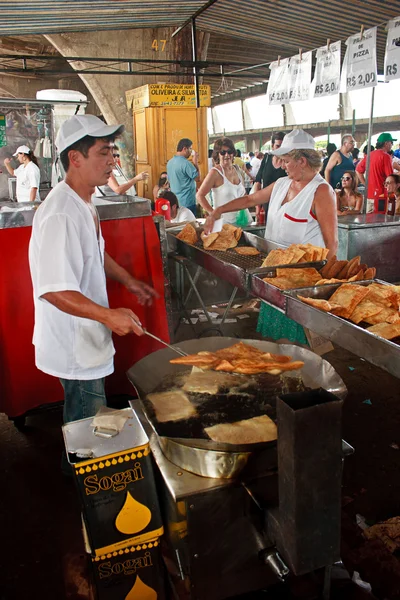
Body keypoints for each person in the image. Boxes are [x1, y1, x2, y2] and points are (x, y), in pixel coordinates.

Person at [28, 114, 158, 426]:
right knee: (88, 430)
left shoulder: (85, 201)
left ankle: (76, 466)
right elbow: (53, 289)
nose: (113, 161)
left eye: (113, 152)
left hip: (86, 336)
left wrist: (128, 280)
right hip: (75, 344)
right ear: (75, 157)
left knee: (82, 423)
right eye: (103, 152)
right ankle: (80, 472)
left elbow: (95, 254)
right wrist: (109, 316)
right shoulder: (61, 213)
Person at [204, 129, 337, 345]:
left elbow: (332, 243)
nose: (282, 165)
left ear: (301, 161)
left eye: (286, 161)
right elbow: (250, 200)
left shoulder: (320, 192)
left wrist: (322, 289)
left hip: (300, 283)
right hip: (274, 276)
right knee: (276, 340)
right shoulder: (282, 184)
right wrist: (218, 211)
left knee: (299, 343)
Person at [196, 137, 252, 226]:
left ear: (233, 153)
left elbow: (243, 196)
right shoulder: (215, 173)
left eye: (229, 152)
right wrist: (213, 213)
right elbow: (199, 195)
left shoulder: (238, 170)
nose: (227, 155)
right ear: (217, 154)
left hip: (244, 221)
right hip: (224, 225)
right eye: (222, 152)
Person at [253, 132, 286, 216]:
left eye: (283, 146)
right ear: (272, 146)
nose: (280, 149)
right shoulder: (267, 158)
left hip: (283, 206)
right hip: (267, 204)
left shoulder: (288, 163)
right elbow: (258, 182)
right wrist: (258, 207)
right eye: (277, 146)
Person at [356, 133, 396, 199]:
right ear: (386, 143)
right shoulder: (386, 156)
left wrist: (366, 184)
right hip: (381, 195)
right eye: (391, 142)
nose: (392, 145)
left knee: (369, 210)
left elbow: (358, 170)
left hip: (369, 195)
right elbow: (390, 177)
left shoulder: (369, 155)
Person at [167, 138, 199, 217]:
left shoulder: (169, 162)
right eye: (190, 149)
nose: (191, 152)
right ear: (185, 148)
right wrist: (195, 162)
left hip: (176, 201)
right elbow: (198, 178)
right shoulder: (186, 163)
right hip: (187, 201)